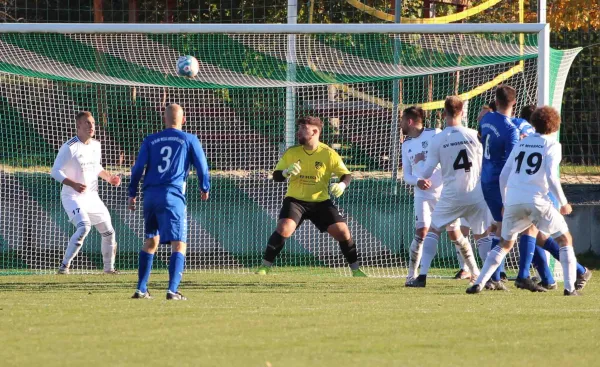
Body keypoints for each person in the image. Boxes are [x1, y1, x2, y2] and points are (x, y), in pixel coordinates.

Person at [467, 106, 583, 296]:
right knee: (564, 239)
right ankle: (570, 289)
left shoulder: (522, 143)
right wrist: (563, 202)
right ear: (555, 126)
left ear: (533, 124)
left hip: (513, 199)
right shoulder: (553, 145)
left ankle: (479, 283)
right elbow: (551, 176)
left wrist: (505, 202)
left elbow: (504, 175)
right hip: (537, 200)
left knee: (504, 244)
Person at [256, 116, 366, 277]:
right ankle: (264, 267)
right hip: (295, 201)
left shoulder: (328, 153)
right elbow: (277, 176)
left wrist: (342, 185)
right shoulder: (292, 152)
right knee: (284, 228)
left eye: (302, 128)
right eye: (299, 128)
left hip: (321, 202)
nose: (298, 132)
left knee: (343, 232)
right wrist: (286, 172)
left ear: (314, 132)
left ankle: (356, 270)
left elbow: (346, 175)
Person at [128, 103, 210, 300]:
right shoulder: (189, 139)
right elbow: (202, 166)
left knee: (150, 240)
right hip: (172, 196)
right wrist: (204, 186)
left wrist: (132, 192)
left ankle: (141, 289)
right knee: (179, 243)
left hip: (150, 196)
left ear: (164, 120)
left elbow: (138, 167)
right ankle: (172, 290)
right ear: (183, 119)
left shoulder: (151, 139)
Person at [406, 96, 487, 287]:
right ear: (461, 112)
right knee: (481, 235)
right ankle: (490, 277)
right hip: (475, 193)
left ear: (444, 114)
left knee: (433, 230)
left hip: (451, 195)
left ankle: (422, 276)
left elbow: (426, 172)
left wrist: (418, 160)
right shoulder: (474, 135)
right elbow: (484, 165)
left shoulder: (439, 138)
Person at [51, 111, 121, 274]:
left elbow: (96, 168)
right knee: (84, 227)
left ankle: (109, 269)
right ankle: (64, 267)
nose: (91, 126)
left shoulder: (96, 145)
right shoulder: (70, 147)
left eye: (93, 123)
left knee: (109, 232)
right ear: (78, 125)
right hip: (72, 196)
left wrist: (109, 178)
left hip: (92, 196)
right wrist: (73, 184)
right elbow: (55, 171)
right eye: (87, 123)